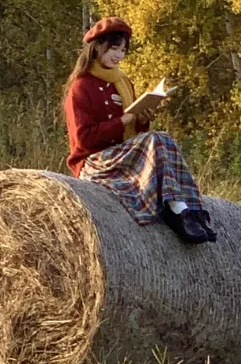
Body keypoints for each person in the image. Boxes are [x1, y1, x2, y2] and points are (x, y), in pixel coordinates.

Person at [63, 16, 216, 245]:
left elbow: (134, 130)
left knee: (162, 139)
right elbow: (83, 139)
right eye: (114, 48)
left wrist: (142, 120)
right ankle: (177, 211)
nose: (118, 55)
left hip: (123, 156)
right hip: (94, 162)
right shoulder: (81, 86)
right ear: (97, 48)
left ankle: (187, 211)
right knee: (155, 140)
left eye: (123, 50)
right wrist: (123, 121)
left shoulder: (123, 82)